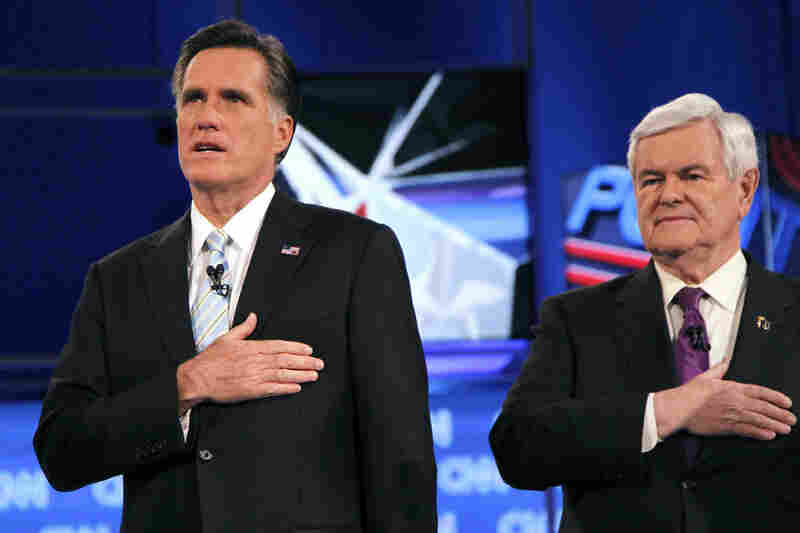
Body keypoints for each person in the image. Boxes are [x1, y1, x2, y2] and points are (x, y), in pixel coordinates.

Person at [34, 19, 436, 533]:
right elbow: (61, 450)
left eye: (233, 99)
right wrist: (187, 385)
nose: (207, 117)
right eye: (193, 99)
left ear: (281, 133)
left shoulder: (355, 253)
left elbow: (401, 459)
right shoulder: (118, 278)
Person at [490, 93, 800, 532]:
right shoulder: (577, 319)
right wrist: (664, 412)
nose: (668, 195)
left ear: (745, 190)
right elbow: (516, 449)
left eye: (692, 176)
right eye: (651, 180)